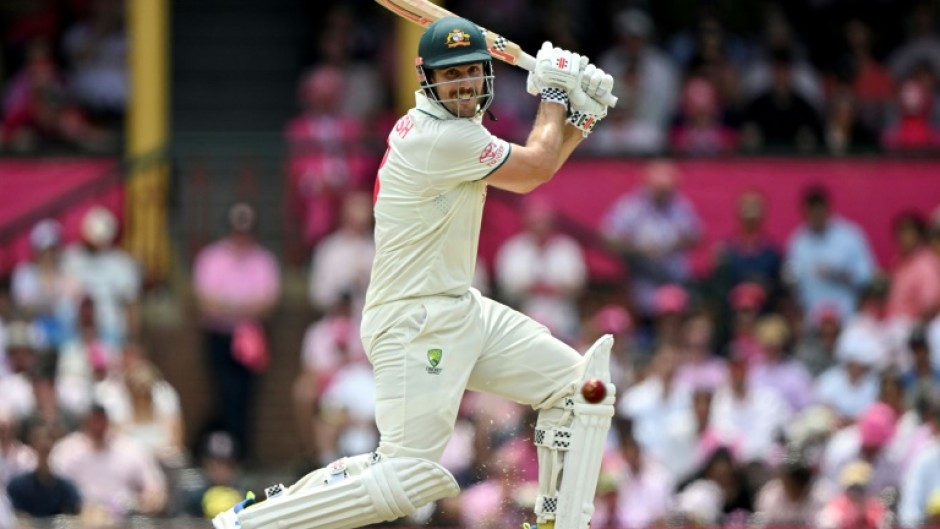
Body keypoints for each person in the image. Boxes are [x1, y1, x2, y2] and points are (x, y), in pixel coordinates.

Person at [213, 16, 617, 529]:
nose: (467, 83)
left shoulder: (458, 128)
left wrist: (580, 115)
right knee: (406, 479)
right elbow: (535, 169)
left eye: (473, 70)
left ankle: (557, 523)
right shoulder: (439, 137)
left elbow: (540, 164)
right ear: (428, 79)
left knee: (579, 390)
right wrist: (558, 94)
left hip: (457, 305)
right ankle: (251, 526)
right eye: (453, 75)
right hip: (415, 321)